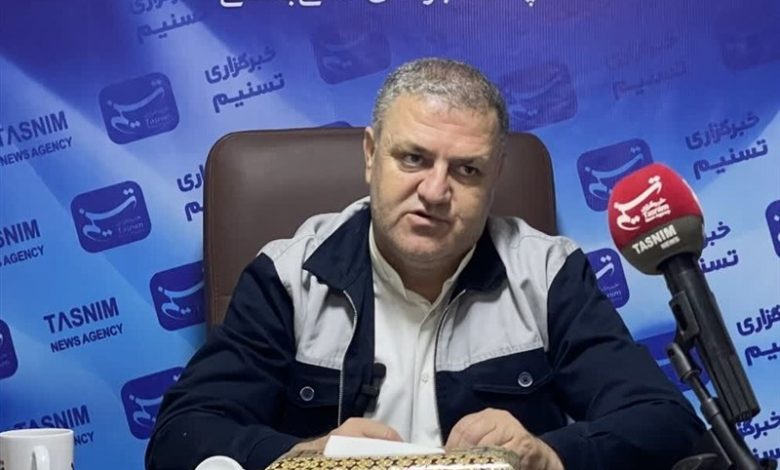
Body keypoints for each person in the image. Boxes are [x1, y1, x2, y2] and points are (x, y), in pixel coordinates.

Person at [146, 58, 704, 470]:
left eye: (467, 170)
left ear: (495, 177)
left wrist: (547, 456)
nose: (435, 192)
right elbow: (181, 436)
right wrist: (303, 459)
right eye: (413, 158)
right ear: (371, 156)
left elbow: (667, 424)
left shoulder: (548, 273)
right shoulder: (290, 277)